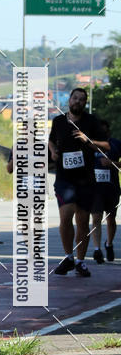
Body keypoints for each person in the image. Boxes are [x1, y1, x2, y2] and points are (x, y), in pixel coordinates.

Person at [48, 87, 107, 277]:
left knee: (82, 222)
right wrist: (53, 151)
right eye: (75, 98)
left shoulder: (92, 121)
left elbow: (106, 145)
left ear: (85, 103)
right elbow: (51, 140)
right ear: (69, 100)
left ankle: (80, 261)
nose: (78, 102)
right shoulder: (58, 121)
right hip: (65, 179)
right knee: (65, 217)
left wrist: (87, 139)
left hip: (86, 180)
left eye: (82, 99)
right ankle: (68, 257)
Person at [91, 120, 120, 263]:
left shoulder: (116, 144)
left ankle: (109, 244)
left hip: (112, 188)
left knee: (111, 219)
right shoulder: (90, 145)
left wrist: (112, 163)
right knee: (96, 218)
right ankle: (97, 250)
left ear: (108, 131)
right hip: (95, 189)